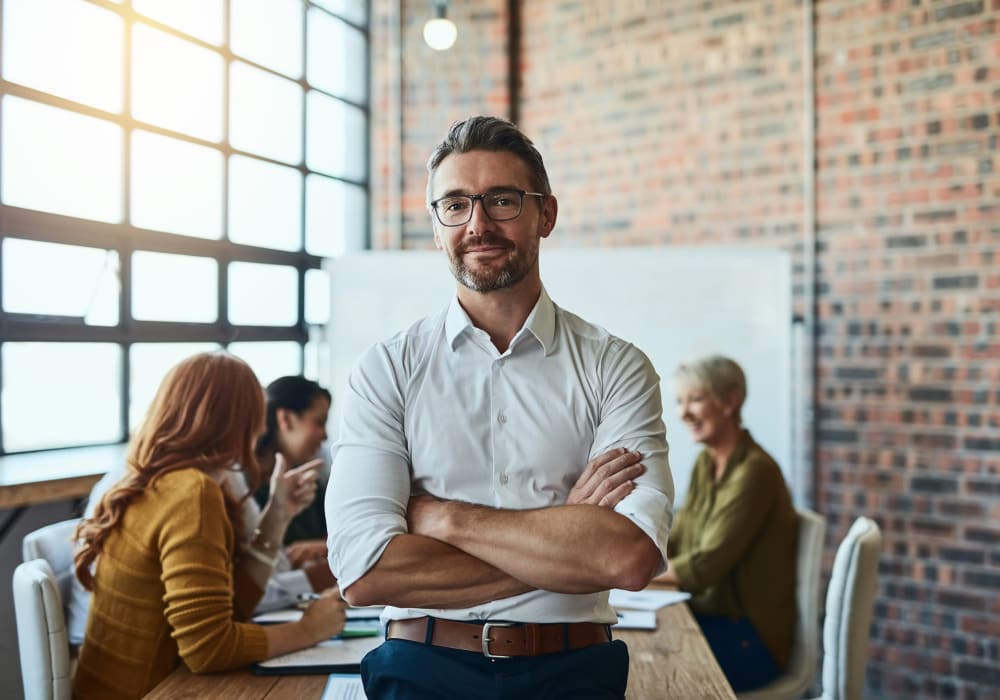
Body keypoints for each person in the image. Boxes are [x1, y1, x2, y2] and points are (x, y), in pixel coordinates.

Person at [325, 116, 674, 699]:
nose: (478, 224)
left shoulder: (617, 366)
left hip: (574, 673)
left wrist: (443, 517)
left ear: (546, 214)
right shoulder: (387, 370)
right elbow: (364, 573)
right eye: (456, 205)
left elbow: (628, 556)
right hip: (420, 668)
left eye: (502, 201)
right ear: (437, 227)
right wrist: (564, 528)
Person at [72, 352, 345, 700]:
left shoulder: (161, 479)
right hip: (153, 691)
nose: (261, 427)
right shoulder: (193, 493)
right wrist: (308, 630)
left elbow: (232, 610)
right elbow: (207, 649)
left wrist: (277, 515)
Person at [653, 355, 797, 692]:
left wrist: (631, 570)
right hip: (712, 620)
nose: (683, 413)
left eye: (696, 399)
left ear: (730, 401)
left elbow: (705, 566)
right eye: (680, 401)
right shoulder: (707, 462)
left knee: (648, 667)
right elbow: (677, 537)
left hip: (749, 640)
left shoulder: (755, 472)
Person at [252, 376, 332, 569]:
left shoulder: (311, 484)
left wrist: (325, 547)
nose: (325, 434)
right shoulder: (244, 489)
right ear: (285, 419)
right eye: (319, 422)